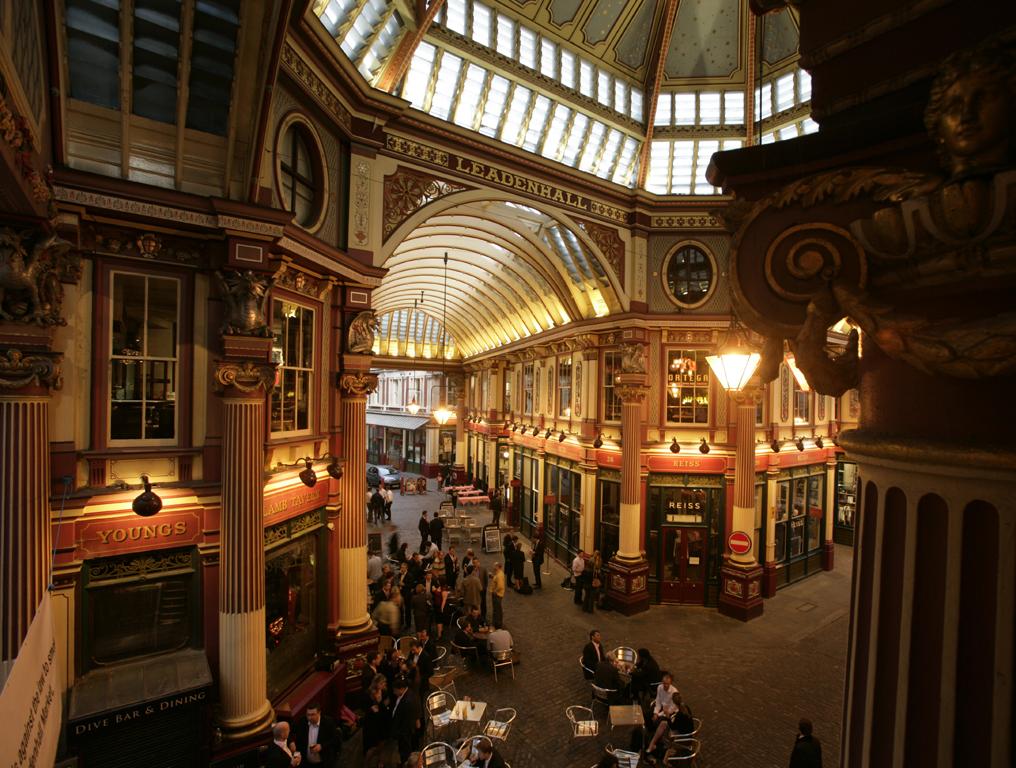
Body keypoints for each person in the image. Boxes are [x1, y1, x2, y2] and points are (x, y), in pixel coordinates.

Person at [645, 692, 694, 756]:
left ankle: (662, 745)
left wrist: (667, 716)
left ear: (674, 702)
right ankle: (652, 744)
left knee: (663, 726)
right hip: (687, 730)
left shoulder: (680, 714)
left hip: (683, 735)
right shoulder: (686, 707)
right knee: (663, 723)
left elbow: (673, 727)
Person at [294, 702, 340, 766]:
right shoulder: (302, 721)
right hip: (306, 763)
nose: (309, 718)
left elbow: (335, 740)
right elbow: (298, 738)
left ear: (319, 713)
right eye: (308, 715)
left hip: (324, 762)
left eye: (313, 714)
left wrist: (321, 746)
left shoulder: (328, 722)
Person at [389, 676, 421, 763]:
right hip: (404, 731)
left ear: (401, 689)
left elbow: (406, 721)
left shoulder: (408, 701)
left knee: (405, 752)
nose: (394, 692)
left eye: (395, 690)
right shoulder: (407, 694)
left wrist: (398, 733)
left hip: (405, 732)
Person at [490, 561, 506, 629]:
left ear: (497, 567)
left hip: (497, 595)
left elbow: (500, 586)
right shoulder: (499, 573)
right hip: (498, 594)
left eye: (494, 566)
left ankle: (497, 624)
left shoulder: (499, 575)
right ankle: (497, 622)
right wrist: (493, 577)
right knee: (497, 609)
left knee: (497, 610)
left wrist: (495, 592)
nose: (493, 567)